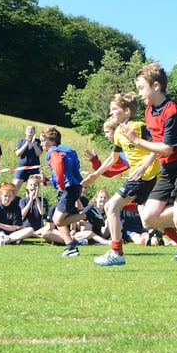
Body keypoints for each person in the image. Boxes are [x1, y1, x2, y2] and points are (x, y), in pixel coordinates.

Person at [121, 62, 177, 283]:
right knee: (147, 219)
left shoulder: (173, 112)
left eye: (141, 87)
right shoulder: (149, 111)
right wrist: (146, 164)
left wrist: (136, 140)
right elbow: (157, 146)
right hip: (167, 170)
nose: (139, 94)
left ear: (156, 86)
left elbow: (167, 148)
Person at [82, 92, 161, 267]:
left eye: (114, 109)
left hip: (145, 176)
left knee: (111, 206)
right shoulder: (118, 131)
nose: (111, 113)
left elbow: (157, 147)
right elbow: (113, 159)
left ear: (126, 111)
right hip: (139, 177)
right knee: (149, 219)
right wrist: (95, 175)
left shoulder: (139, 127)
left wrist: (142, 167)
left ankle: (117, 252)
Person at [42, 126, 87, 257]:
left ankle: (89, 213)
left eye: (42, 140)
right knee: (59, 217)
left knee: (58, 221)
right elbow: (68, 172)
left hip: (68, 189)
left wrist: (61, 184)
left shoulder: (52, 152)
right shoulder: (67, 151)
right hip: (74, 187)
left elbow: (59, 166)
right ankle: (70, 246)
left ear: (50, 141)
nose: (41, 144)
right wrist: (46, 180)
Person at [12, 125, 43, 196]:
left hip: (34, 169)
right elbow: (18, 154)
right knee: (14, 187)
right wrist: (26, 143)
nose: (30, 130)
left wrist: (34, 143)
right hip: (21, 167)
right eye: (28, 129)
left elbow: (38, 153)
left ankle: (29, 203)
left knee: (32, 190)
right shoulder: (21, 141)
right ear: (25, 132)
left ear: (34, 132)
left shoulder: (38, 142)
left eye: (32, 129)